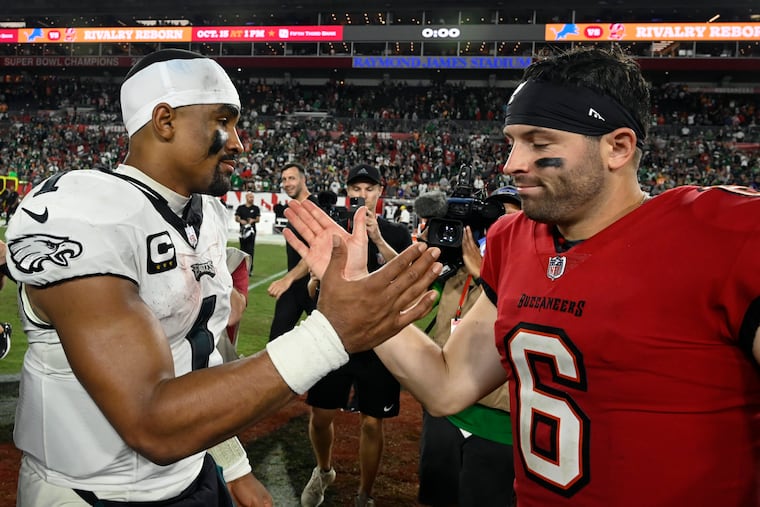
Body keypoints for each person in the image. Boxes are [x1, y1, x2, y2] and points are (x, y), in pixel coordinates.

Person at [284, 45, 760, 507]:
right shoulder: (514, 238)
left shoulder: (723, 234)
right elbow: (447, 384)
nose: (512, 164)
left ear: (617, 147)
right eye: (513, 141)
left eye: (539, 143)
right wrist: (360, 288)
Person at [5, 49, 442, 506]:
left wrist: (232, 466)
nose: (239, 143)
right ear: (165, 120)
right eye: (224, 120)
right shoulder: (81, 212)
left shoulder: (206, 213)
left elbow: (201, 357)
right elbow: (149, 420)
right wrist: (330, 335)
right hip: (92, 492)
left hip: (193, 474)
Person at [300, 164, 412, 507]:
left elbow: (407, 273)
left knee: (372, 422)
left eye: (369, 188)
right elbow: (312, 288)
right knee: (320, 415)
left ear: (381, 192)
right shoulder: (335, 233)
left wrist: (377, 238)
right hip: (338, 334)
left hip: (380, 338)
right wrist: (317, 281)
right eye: (356, 188)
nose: (361, 194)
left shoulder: (396, 232)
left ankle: (364, 494)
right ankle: (323, 469)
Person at [417, 186, 521, 507]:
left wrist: (486, 276)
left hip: (500, 428)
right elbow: (409, 292)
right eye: (493, 220)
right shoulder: (457, 269)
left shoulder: (536, 272)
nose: (498, 229)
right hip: (444, 414)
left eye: (510, 219)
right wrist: (427, 249)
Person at [267, 163, 319, 341]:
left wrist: (287, 278)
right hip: (294, 287)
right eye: (284, 179)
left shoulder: (315, 208)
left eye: (292, 178)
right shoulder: (295, 209)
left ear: (303, 180)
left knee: (330, 341)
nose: (287, 183)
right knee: (275, 342)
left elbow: (315, 253)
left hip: (315, 286)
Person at [234, 191, 260, 276]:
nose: (252, 199)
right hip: (242, 232)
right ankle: (241, 268)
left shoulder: (256, 208)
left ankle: (249, 269)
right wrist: (241, 221)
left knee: (250, 250)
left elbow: (258, 219)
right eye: (250, 197)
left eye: (252, 197)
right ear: (246, 198)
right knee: (242, 250)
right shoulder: (241, 208)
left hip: (251, 232)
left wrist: (253, 220)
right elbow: (236, 218)